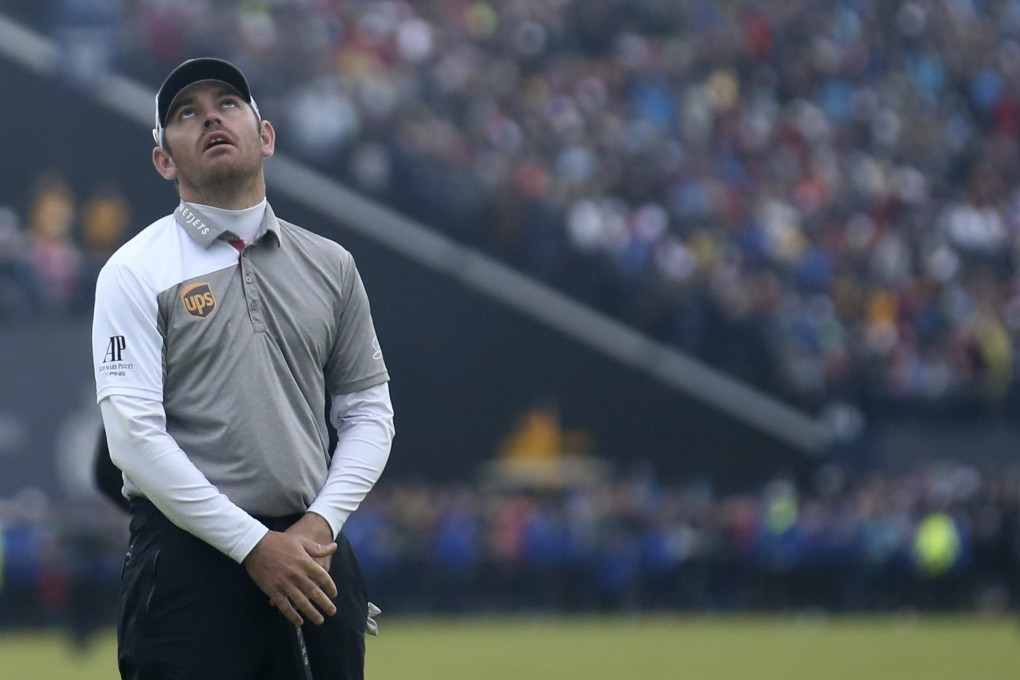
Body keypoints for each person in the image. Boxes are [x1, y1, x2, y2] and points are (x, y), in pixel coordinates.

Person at [91, 57, 394, 679]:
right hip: (187, 559)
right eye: (185, 113)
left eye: (227, 102)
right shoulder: (133, 270)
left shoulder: (331, 264)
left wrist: (319, 522)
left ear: (266, 135)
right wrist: (254, 545)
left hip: (315, 551)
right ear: (164, 161)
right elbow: (133, 439)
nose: (209, 116)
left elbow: (369, 412)